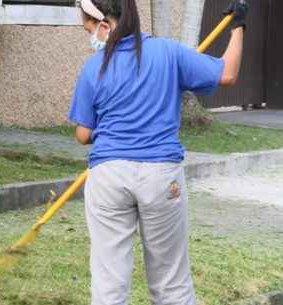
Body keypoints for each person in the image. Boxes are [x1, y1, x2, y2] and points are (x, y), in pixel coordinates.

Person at [69, 0, 247, 303]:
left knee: (109, 283)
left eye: (88, 28)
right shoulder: (169, 52)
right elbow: (227, 74)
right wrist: (238, 26)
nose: (90, 37)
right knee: (171, 283)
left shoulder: (93, 68)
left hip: (109, 176)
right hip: (161, 177)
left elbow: (83, 134)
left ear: (104, 24)